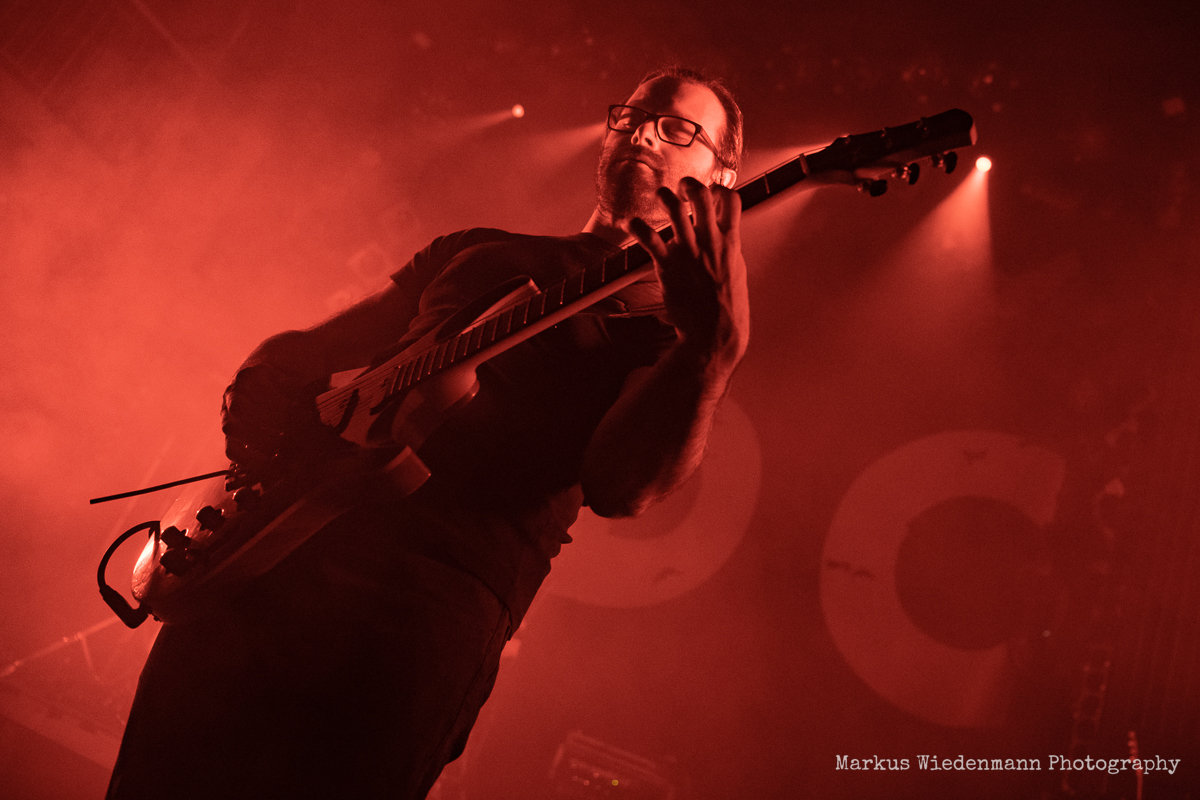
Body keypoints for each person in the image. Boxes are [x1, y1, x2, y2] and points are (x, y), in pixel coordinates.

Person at [106, 66, 749, 800]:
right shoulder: (477, 248)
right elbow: (307, 351)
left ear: (721, 178)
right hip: (271, 551)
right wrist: (259, 375)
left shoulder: (672, 326)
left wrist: (710, 353)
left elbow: (624, 488)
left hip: (419, 612)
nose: (642, 136)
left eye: (676, 128)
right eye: (630, 117)